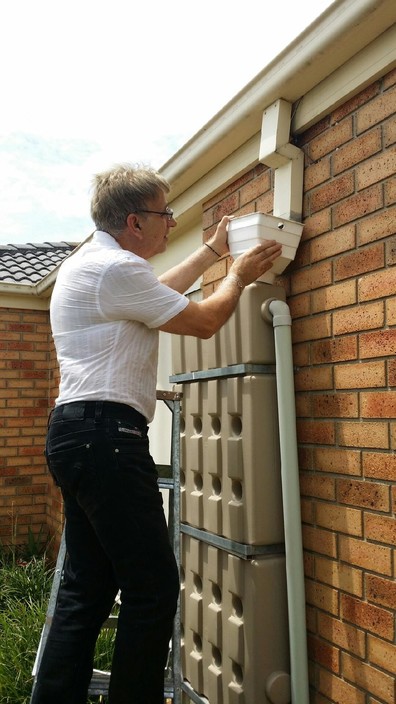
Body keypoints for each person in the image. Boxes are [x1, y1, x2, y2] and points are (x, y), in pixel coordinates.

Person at [31, 163, 282, 704]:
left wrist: (214, 254)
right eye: (165, 213)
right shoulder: (115, 270)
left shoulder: (97, 266)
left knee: (86, 589)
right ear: (133, 221)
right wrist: (237, 275)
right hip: (107, 439)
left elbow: (157, 294)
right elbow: (204, 320)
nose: (172, 222)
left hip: (77, 434)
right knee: (151, 588)